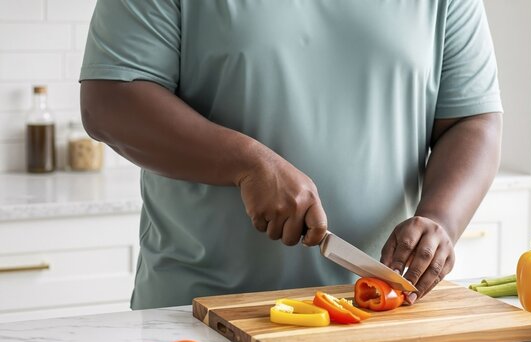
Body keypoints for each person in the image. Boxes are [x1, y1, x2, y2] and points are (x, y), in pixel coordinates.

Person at [80, 0, 502, 310]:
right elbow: (110, 99)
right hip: (199, 313)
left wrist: (440, 219)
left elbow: (471, 120)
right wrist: (246, 163)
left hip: (374, 311)